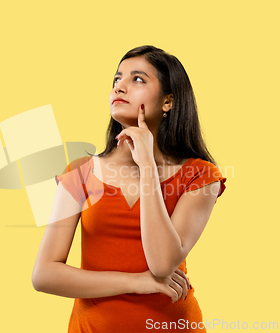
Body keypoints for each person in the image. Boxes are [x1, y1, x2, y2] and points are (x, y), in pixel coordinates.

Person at [32, 45, 227, 332]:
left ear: (168, 102)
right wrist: (136, 282)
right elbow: (44, 275)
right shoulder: (81, 172)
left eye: (137, 79)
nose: (120, 87)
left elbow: (162, 265)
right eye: (116, 79)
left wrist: (147, 165)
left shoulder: (198, 175)